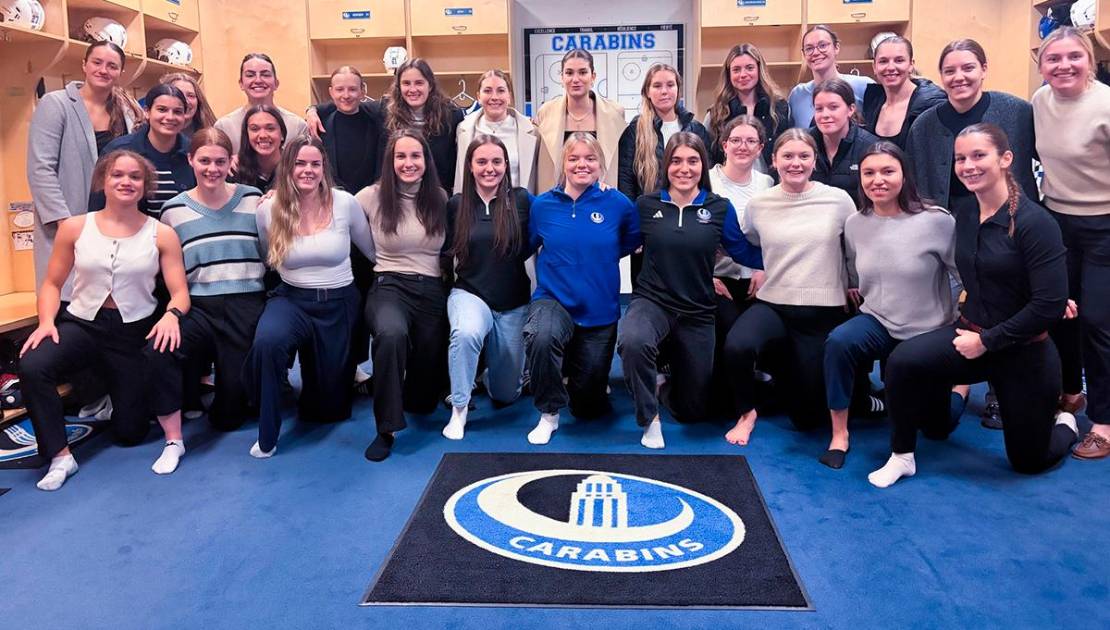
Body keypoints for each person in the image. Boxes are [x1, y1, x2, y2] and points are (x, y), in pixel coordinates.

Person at [869, 123, 1078, 488]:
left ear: (1006, 159)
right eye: (960, 158)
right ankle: (902, 456)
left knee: (1029, 461)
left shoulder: (1035, 223)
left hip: (1023, 351)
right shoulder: (963, 212)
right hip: (970, 335)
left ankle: (1065, 423)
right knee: (903, 363)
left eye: (979, 155)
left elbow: (1048, 305)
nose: (968, 165)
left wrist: (988, 341)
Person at [18, 150, 190, 490]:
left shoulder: (161, 234)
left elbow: (180, 292)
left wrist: (172, 315)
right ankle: (59, 455)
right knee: (33, 364)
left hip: (132, 332)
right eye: (118, 175)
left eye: (135, 177)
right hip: (83, 324)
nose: (126, 182)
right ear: (104, 181)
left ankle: (109, 395)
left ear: (145, 186)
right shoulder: (75, 227)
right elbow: (52, 284)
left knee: (130, 434)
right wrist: (46, 322)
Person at [618, 132, 762, 449]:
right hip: (652, 301)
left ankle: (663, 383)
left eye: (693, 161)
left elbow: (743, 252)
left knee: (693, 411)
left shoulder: (718, 208)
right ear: (666, 165)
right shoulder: (646, 205)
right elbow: (619, 245)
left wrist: (769, 265)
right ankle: (649, 418)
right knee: (632, 339)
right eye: (677, 161)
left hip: (697, 311)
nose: (684, 169)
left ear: (703, 165)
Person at [820, 142, 958, 470]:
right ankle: (840, 434)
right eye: (869, 173)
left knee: (938, 429)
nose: (877, 180)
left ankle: (962, 390)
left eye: (887, 171)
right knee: (838, 342)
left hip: (927, 330)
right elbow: (856, 267)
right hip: (878, 320)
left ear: (904, 175)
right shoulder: (855, 223)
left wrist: (959, 318)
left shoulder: (937, 221)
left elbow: (962, 275)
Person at [721, 129, 856, 446]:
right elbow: (749, 243)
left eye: (803, 156)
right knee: (737, 346)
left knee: (807, 419)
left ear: (814, 160)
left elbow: (855, 248)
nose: (795, 163)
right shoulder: (760, 204)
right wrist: (757, 267)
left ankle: (799, 382)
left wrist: (854, 283)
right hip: (774, 305)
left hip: (822, 312)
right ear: (774, 161)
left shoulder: (838, 200)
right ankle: (747, 413)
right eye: (788, 156)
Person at [246, 136, 375, 458]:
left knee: (327, 409)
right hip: (292, 299)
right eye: (300, 163)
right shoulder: (269, 210)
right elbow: (267, 254)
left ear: (324, 168)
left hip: (338, 302)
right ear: (287, 167)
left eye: (314, 164)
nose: (307, 170)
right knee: (268, 342)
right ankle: (267, 432)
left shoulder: (345, 203)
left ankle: (323, 385)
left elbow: (371, 250)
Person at [148, 129, 266, 473]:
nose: (212, 168)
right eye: (204, 161)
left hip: (246, 303)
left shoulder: (253, 199)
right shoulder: (173, 211)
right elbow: (171, 271)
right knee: (159, 348)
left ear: (231, 162)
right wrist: (170, 313)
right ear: (190, 161)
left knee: (229, 417)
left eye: (219, 161)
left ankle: (220, 393)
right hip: (198, 305)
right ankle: (174, 438)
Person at [524, 132, 640, 445]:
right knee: (541, 336)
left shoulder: (618, 204)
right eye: (573, 158)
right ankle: (549, 412)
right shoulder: (543, 205)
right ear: (563, 164)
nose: (582, 164)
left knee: (589, 409)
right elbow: (530, 243)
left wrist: (598, 255)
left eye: (590, 158)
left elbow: (630, 239)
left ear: (600, 164)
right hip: (553, 300)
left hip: (599, 309)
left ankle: (581, 378)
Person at [1033, 27, 1110, 460]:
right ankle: (1070, 393)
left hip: (1104, 224)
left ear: (1090, 61)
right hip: (1058, 221)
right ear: (1041, 65)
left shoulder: (1105, 104)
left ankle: (1103, 421)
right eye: (1053, 58)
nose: (1063, 65)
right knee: (1060, 313)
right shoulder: (1040, 102)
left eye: (1073, 57)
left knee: (1098, 322)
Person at [357, 130, 450, 462]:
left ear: (426, 161)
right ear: (390, 160)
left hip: (431, 288)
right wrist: (276, 197)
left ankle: (404, 390)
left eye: (415, 156)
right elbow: (328, 210)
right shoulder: (370, 196)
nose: (408, 163)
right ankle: (386, 428)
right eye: (401, 156)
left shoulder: (439, 197)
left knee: (423, 400)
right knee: (390, 335)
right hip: (389, 285)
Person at [28, 40, 142, 298]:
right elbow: (41, 169)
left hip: (113, 221)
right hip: (70, 221)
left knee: (111, 303)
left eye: (112, 66)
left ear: (120, 72)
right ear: (84, 65)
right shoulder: (56, 104)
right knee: (68, 299)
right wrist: (65, 222)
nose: (103, 70)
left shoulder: (126, 111)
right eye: (97, 62)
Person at [442, 135, 533, 440]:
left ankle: (492, 372)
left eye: (496, 161)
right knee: (465, 333)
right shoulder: (456, 205)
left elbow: (557, 209)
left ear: (506, 165)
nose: (489, 168)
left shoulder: (521, 200)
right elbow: (442, 253)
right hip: (470, 293)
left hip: (513, 301)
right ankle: (460, 407)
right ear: (470, 166)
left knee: (505, 394)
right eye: (481, 162)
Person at [905, 39, 1038, 212]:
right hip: (948, 223)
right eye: (950, 71)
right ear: (941, 76)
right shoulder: (922, 127)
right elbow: (912, 183)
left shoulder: (1018, 112)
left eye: (968, 68)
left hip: (1013, 220)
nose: (959, 77)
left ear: (984, 69)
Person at [310, 58, 463, 192]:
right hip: (396, 196)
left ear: (430, 86)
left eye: (419, 83)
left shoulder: (450, 116)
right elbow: (347, 103)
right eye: (406, 83)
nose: (412, 89)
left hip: (437, 195)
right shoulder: (386, 109)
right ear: (399, 86)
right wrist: (312, 110)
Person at [618, 63, 709, 286]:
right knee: (648, 290)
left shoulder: (696, 129)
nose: (664, 91)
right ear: (647, 92)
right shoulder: (635, 130)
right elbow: (626, 181)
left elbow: (707, 179)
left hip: (689, 221)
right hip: (649, 224)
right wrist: (633, 227)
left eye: (670, 85)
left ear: (678, 89)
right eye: (657, 85)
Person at [708, 116, 773, 414]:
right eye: (735, 140)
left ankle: (755, 387)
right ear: (724, 145)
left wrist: (763, 271)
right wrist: (706, 274)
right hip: (718, 277)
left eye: (750, 141)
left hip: (758, 275)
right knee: (731, 328)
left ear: (760, 148)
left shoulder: (767, 184)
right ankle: (734, 398)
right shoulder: (708, 181)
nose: (742, 147)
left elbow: (770, 235)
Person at [534, 49, 627, 191]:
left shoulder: (615, 113)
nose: (575, 79)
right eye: (569, 73)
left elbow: (623, 168)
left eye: (583, 72)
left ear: (593, 76)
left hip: (601, 202)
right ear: (562, 77)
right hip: (558, 203)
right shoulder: (545, 113)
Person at [98, 84, 195, 218]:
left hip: (183, 236)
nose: (170, 117)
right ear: (147, 112)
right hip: (131, 235)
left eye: (177, 112)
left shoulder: (195, 153)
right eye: (162, 110)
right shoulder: (118, 150)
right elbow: (97, 204)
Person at [703, 43, 792, 170]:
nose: (743, 74)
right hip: (728, 187)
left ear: (759, 70)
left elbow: (790, 150)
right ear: (729, 74)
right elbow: (707, 157)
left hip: (772, 185)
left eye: (749, 68)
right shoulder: (716, 113)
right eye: (736, 69)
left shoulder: (780, 109)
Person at [453, 69, 539, 194]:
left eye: (501, 91)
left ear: (509, 96)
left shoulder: (531, 131)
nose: (494, 97)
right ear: (478, 96)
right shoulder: (463, 130)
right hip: (475, 208)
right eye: (487, 91)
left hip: (517, 208)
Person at [860, 36, 946, 150]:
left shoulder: (931, 105)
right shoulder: (871, 103)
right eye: (883, 61)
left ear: (911, 65)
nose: (890, 67)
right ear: (874, 67)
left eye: (899, 60)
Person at [214, 52, 308, 154]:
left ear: (276, 83)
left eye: (265, 75)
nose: (258, 80)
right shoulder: (224, 127)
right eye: (250, 75)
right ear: (241, 84)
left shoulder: (297, 126)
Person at [809, 78, 881, 205]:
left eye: (833, 107)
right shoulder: (802, 143)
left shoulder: (871, 147)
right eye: (819, 109)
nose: (825, 114)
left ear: (851, 109)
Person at [788, 25, 873, 128]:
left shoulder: (863, 86)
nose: (815, 52)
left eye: (823, 45)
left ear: (836, 47)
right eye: (809, 48)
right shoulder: (797, 95)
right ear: (804, 54)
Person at [233, 104, 287, 193]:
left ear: (282, 134)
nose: (263, 135)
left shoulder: (294, 167)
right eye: (255, 129)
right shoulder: (234, 171)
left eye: (270, 128)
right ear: (247, 135)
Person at [160, 72, 216, 136]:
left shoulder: (212, 134)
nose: (186, 101)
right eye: (178, 94)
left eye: (190, 95)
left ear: (199, 101)